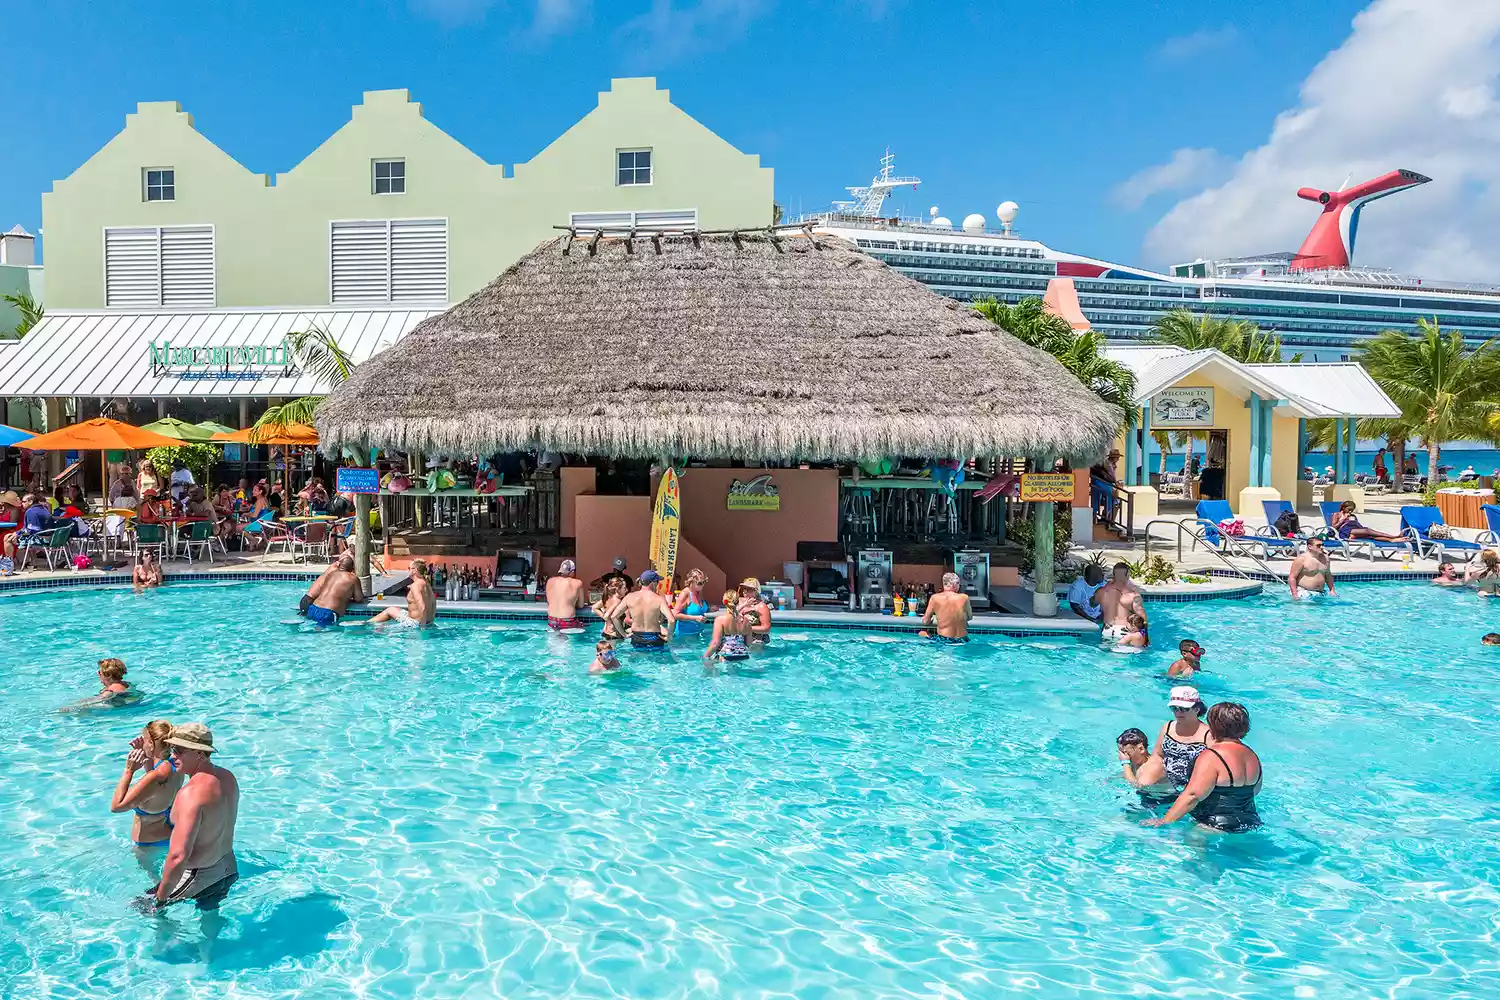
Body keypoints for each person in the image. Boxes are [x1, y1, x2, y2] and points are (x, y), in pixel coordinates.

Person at [140, 723, 240, 912]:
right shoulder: (228, 777)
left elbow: (178, 857)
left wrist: (160, 901)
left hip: (199, 875)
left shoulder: (191, 794)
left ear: (200, 753)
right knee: (210, 917)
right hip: (228, 867)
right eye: (171, 749)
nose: (172, 755)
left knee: (141, 909)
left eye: (178, 750)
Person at [1144, 702, 1262, 831]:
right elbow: (1255, 791)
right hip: (1251, 822)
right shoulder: (1252, 756)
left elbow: (1193, 795)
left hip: (1212, 825)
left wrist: (1164, 821)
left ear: (1214, 726)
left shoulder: (1211, 756)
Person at [110, 720, 185, 848]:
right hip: (170, 835)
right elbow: (153, 789)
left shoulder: (154, 777)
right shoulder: (176, 766)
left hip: (149, 845)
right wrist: (146, 754)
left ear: (151, 743)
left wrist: (129, 770)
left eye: (145, 740)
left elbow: (116, 807)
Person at [1121, 686, 1208, 795]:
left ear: (1196, 709)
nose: (1178, 713)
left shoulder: (1208, 735)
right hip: (1164, 785)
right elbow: (1157, 755)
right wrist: (1151, 774)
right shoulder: (1168, 727)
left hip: (1188, 790)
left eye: (1183, 709)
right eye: (1174, 708)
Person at [358, 558, 434, 629]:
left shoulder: (415, 585)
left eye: (409, 568)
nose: (407, 571)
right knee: (391, 609)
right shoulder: (426, 583)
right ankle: (366, 623)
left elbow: (422, 607)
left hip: (415, 623)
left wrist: (423, 628)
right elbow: (433, 603)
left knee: (382, 630)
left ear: (415, 570)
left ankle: (363, 625)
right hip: (427, 622)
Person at [609, 570, 675, 649]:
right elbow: (671, 620)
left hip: (636, 638)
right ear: (652, 583)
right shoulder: (659, 599)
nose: (658, 584)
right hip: (654, 638)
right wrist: (669, 636)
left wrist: (624, 635)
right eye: (657, 582)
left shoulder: (630, 597)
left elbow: (614, 617)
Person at [1117, 728, 1176, 803]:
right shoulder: (1136, 761)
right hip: (1148, 795)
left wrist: (1125, 763)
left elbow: (1137, 786)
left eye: (1126, 753)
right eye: (1121, 753)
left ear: (1141, 749)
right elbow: (1130, 774)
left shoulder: (1155, 766)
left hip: (1164, 800)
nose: (1123, 756)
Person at [61, 658, 141, 712]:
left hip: (117, 707)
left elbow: (97, 699)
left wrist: (73, 705)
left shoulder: (111, 690)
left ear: (108, 675)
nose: (98, 674)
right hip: (128, 704)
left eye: (100, 672)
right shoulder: (125, 684)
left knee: (80, 710)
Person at [306, 553, 364, 626]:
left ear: (339, 565)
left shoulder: (331, 574)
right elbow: (359, 598)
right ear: (352, 568)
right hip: (328, 612)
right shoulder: (352, 578)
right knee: (324, 634)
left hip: (313, 608)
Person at [1096, 562, 1146, 641]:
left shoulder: (1101, 592)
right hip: (1124, 632)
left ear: (1113, 575)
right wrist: (1146, 639)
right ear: (1127, 575)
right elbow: (1143, 620)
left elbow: (1092, 604)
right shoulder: (1133, 596)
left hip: (1106, 631)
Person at [920, 572, 973, 642]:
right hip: (963, 640)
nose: (959, 586)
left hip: (945, 640)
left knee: (921, 633)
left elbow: (925, 621)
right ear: (954, 585)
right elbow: (969, 617)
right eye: (958, 584)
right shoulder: (964, 597)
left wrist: (936, 619)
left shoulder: (935, 598)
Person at [704, 589, 752, 661]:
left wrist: (705, 657)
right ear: (737, 602)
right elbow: (748, 643)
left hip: (726, 657)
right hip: (744, 657)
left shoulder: (720, 620)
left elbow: (715, 643)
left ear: (724, 601)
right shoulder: (746, 621)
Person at [1331, 500, 1405, 543]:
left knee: (1371, 535)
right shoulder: (1336, 514)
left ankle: (1391, 540)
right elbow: (1333, 527)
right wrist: (1343, 519)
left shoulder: (1351, 515)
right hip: (1344, 532)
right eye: (1349, 509)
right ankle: (1393, 536)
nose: (1350, 511)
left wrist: (1353, 519)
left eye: (1352, 510)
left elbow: (1355, 524)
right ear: (1343, 508)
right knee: (1367, 530)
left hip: (1353, 530)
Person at [545, 558, 588, 632]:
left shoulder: (550, 581)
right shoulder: (577, 583)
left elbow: (549, 601)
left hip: (552, 620)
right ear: (572, 571)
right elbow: (581, 605)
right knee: (587, 628)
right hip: (568, 621)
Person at [672, 569, 711, 637]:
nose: (702, 585)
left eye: (704, 582)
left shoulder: (699, 592)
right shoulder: (685, 594)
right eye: (699, 583)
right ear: (691, 582)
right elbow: (675, 615)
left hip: (698, 634)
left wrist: (709, 609)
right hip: (685, 636)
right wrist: (695, 618)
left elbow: (697, 610)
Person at [737, 578, 773, 645]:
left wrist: (747, 629)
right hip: (740, 639)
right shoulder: (739, 602)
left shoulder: (761, 607)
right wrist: (744, 605)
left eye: (748, 589)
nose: (745, 591)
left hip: (756, 640)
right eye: (744, 588)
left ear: (756, 591)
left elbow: (766, 628)